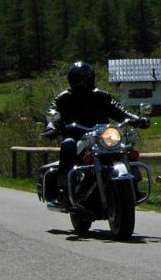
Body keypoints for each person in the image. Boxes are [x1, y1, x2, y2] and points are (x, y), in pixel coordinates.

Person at [45, 61, 149, 206]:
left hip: (102, 136)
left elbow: (119, 110)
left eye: (86, 79)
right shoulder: (64, 98)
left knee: (126, 146)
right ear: (72, 80)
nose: (83, 83)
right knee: (67, 144)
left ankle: (133, 187)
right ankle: (63, 190)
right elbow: (53, 111)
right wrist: (51, 125)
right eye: (79, 80)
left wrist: (136, 119)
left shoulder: (102, 96)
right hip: (77, 136)